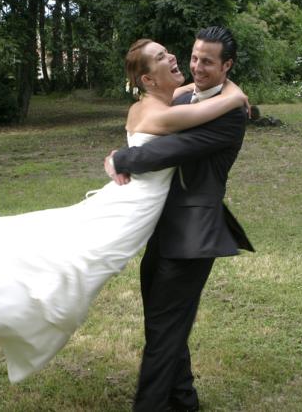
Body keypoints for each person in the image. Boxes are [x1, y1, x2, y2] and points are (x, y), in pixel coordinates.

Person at [0, 37, 249, 385]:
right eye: (161, 57)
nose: (172, 58)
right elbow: (207, 108)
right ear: (148, 80)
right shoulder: (163, 115)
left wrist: (219, 89)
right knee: (73, 266)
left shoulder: (153, 101)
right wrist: (236, 95)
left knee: (61, 246)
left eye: (168, 52)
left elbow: (192, 93)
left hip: (128, 198)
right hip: (131, 210)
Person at [104, 26, 254, 412]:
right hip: (160, 227)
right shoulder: (184, 96)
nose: (197, 67)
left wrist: (121, 158)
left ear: (227, 66)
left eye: (208, 62)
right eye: (194, 57)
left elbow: (167, 150)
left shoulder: (230, 113)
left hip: (191, 236)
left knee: (163, 332)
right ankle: (184, 399)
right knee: (163, 325)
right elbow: (155, 119)